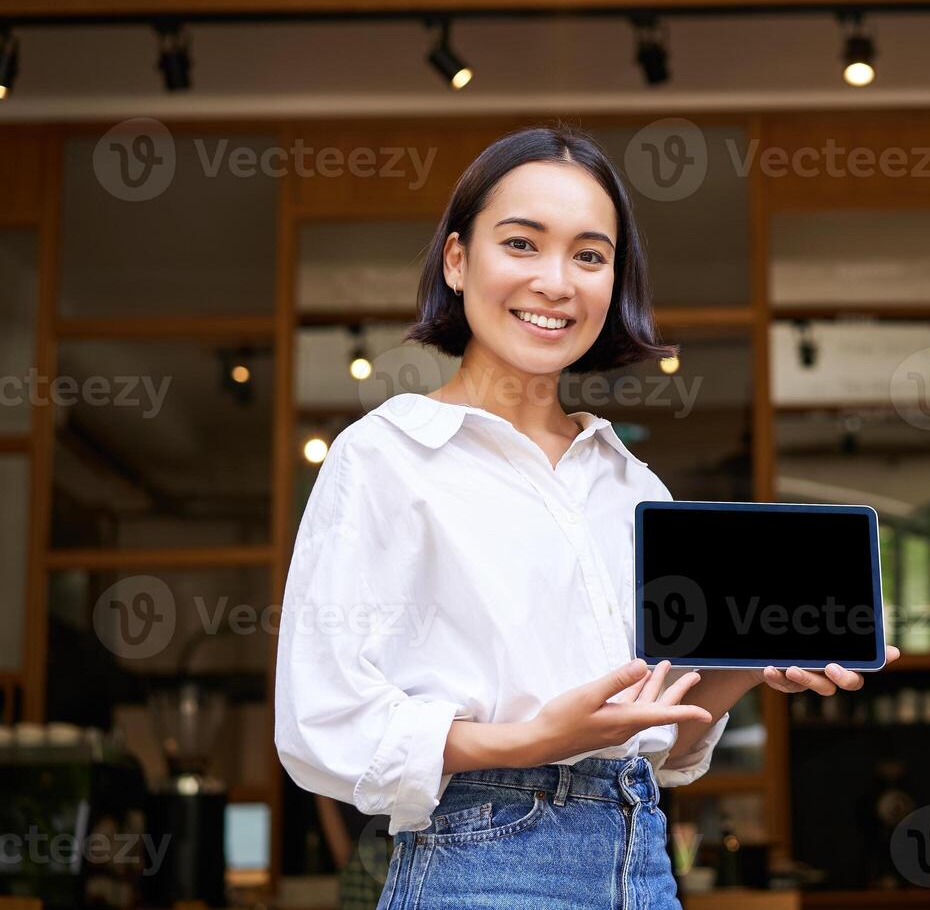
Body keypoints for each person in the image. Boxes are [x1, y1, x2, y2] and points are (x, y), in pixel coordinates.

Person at [274, 125, 898, 908]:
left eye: (590, 255)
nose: (557, 282)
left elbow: (663, 740)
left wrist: (745, 668)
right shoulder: (386, 457)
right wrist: (538, 740)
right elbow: (321, 724)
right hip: (482, 865)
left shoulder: (631, 484)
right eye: (523, 244)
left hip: (641, 858)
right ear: (458, 260)